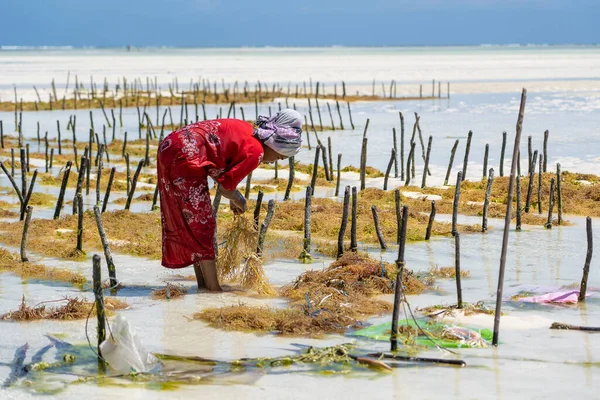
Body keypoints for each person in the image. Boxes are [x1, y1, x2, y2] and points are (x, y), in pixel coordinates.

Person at [157, 109, 303, 292]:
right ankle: (212, 288)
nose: (274, 162)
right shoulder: (256, 151)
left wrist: (232, 196)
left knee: (193, 221)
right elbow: (225, 188)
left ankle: (203, 284)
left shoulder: (248, 133)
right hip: (183, 153)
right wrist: (239, 199)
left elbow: (221, 170)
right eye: (279, 157)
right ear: (274, 145)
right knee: (203, 223)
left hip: (171, 145)